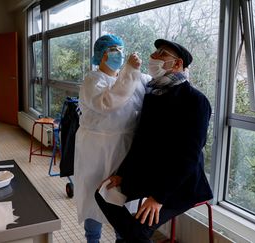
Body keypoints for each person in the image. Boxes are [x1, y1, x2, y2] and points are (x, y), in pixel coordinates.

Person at [95, 39, 213, 243]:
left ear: (177, 64)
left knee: (139, 229)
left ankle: (130, 237)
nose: (154, 56)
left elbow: (188, 157)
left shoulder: (196, 100)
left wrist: (158, 198)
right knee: (102, 192)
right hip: (152, 173)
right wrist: (122, 174)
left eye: (162, 54)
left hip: (180, 182)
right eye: (155, 52)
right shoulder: (154, 94)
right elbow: (141, 141)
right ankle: (129, 237)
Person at [74, 34, 151, 243]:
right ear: (100, 55)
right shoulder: (93, 80)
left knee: (121, 199)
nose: (118, 54)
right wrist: (129, 72)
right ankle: (93, 239)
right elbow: (107, 102)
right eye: (112, 50)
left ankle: (121, 238)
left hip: (125, 149)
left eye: (120, 49)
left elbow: (157, 85)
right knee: (94, 197)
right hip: (95, 150)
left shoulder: (135, 77)